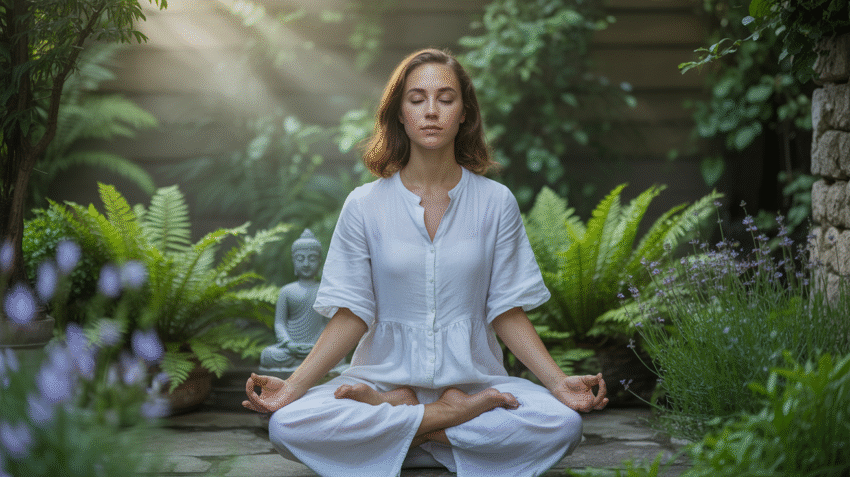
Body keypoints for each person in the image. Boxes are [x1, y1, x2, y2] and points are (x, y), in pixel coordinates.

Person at [243, 48, 608, 477]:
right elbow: (352, 314)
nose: (431, 111)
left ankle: (406, 428)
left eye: (445, 99)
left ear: (464, 113)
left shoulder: (496, 202)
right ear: (400, 113)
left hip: (475, 385)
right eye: (417, 99)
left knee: (562, 425)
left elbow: (506, 310)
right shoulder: (363, 205)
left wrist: (558, 382)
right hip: (383, 383)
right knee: (287, 425)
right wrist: (293, 387)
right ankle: (447, 421)